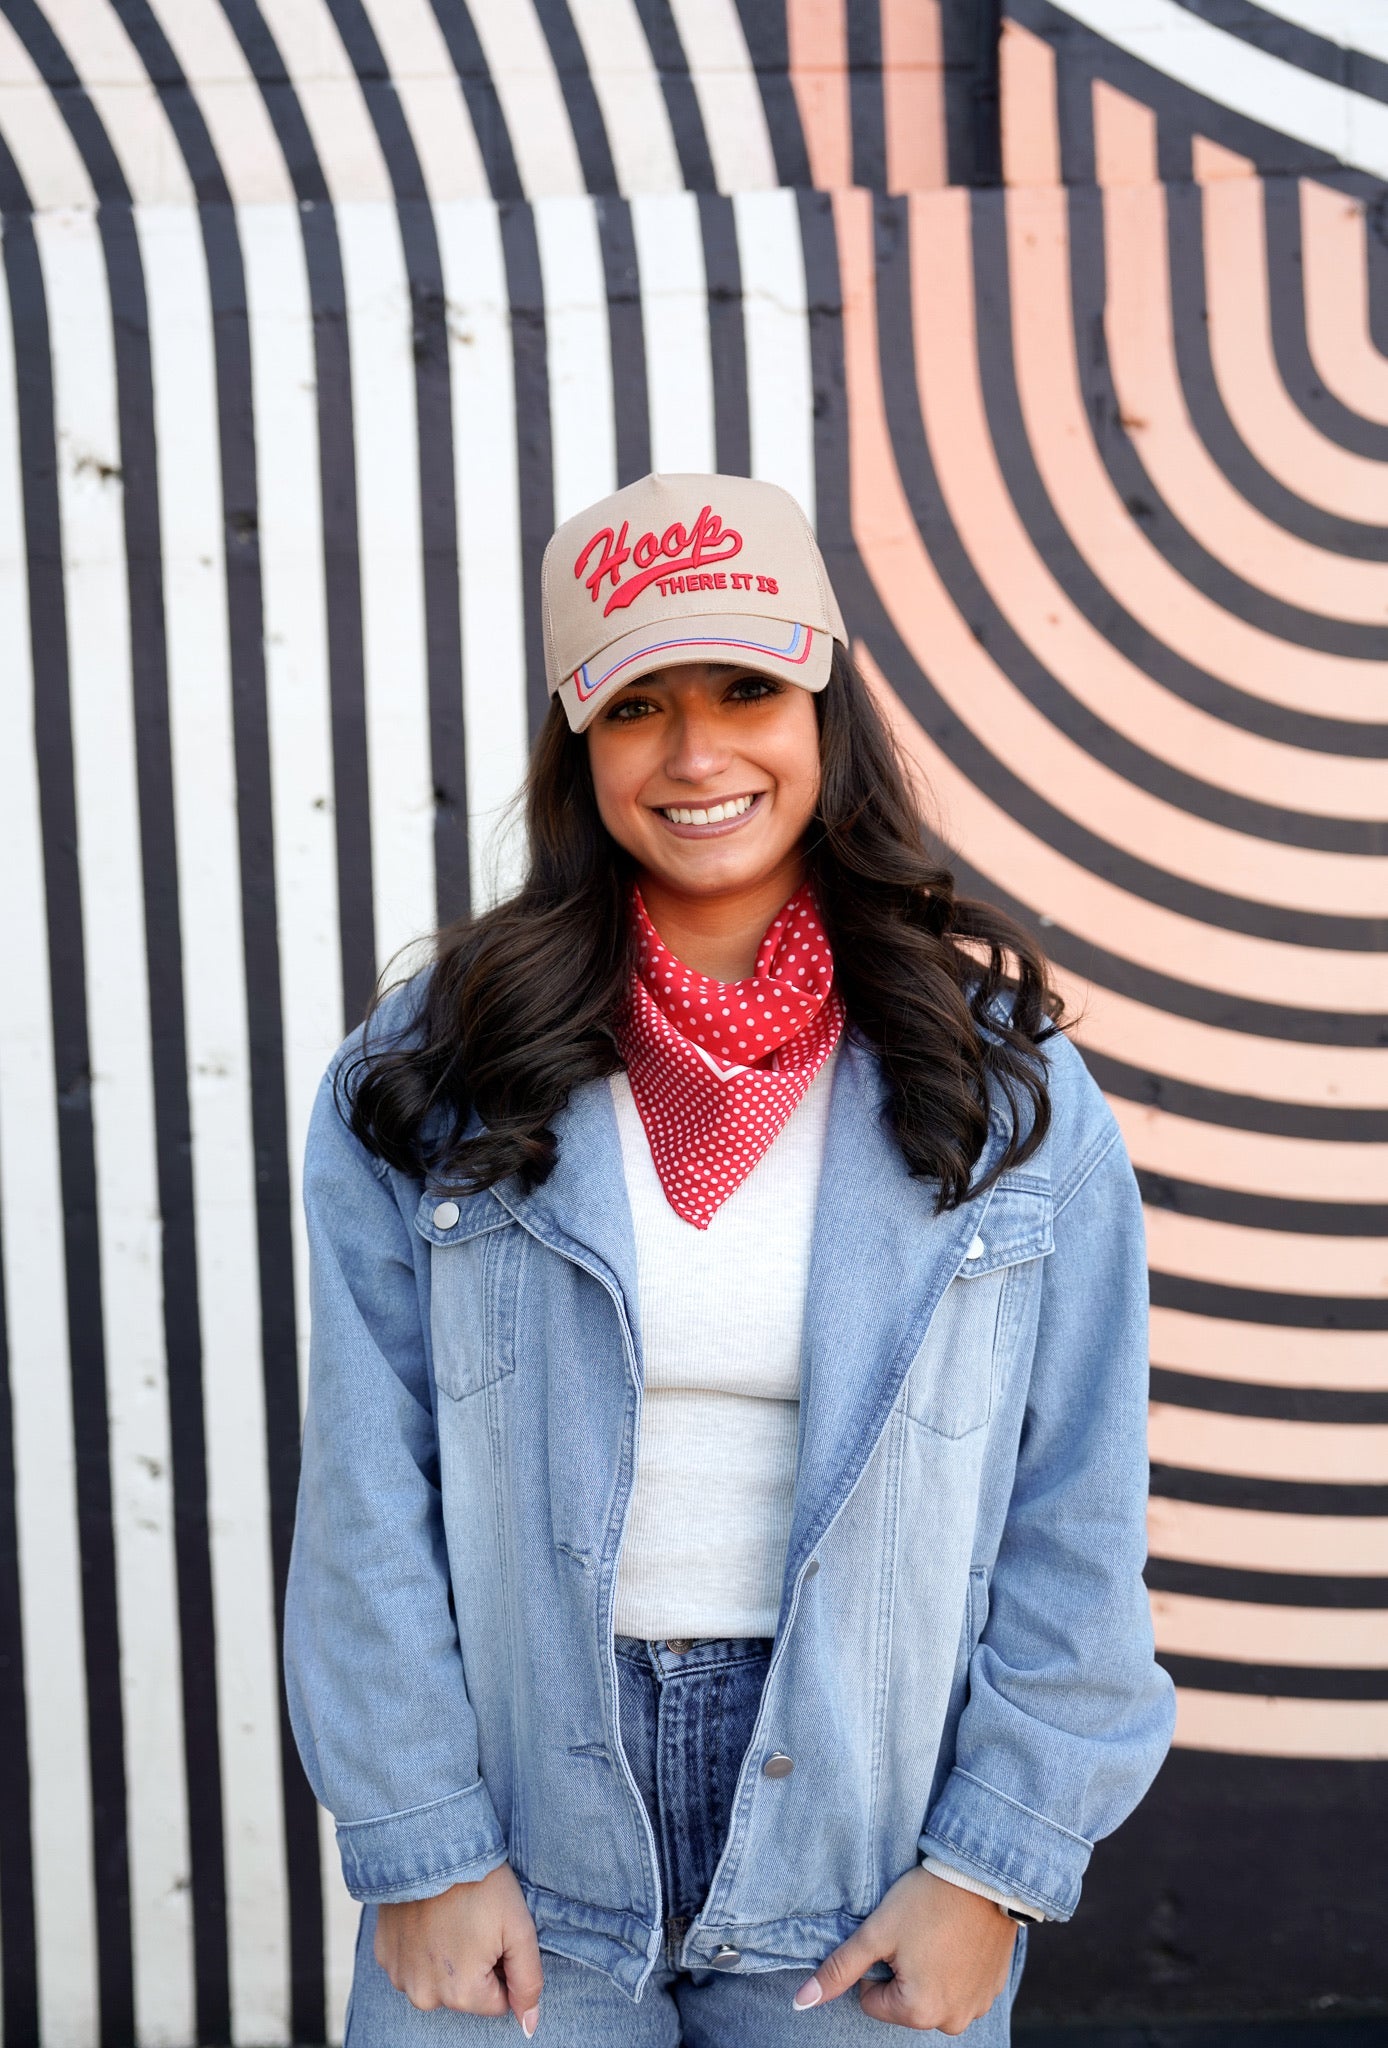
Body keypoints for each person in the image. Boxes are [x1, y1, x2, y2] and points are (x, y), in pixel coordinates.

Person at [284, 472, 1174, 2044]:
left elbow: (1075, 1516)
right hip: (522, 1852)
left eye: (748, 689)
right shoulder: (430, 1072)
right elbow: (370, 1487)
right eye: (639, 708)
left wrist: (994, 1869)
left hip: (868, 1852)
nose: (699, 756)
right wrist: (420, 1840)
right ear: (580, 749)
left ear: (823, 708)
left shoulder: (1009, 1090)